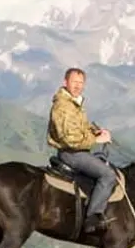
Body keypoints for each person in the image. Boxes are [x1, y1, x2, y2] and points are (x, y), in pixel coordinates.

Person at [47, 67, 115, 235]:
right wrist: (96, 140)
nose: (77, 86)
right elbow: (69, 138)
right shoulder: (63, 106)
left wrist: (95, 131)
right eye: (74, 82)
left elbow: (80, 128)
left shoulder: (74, 103)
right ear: (65, 82)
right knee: (108, 175)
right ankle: (92, 218)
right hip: (71, 153)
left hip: (78, 151)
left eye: (80, 83)